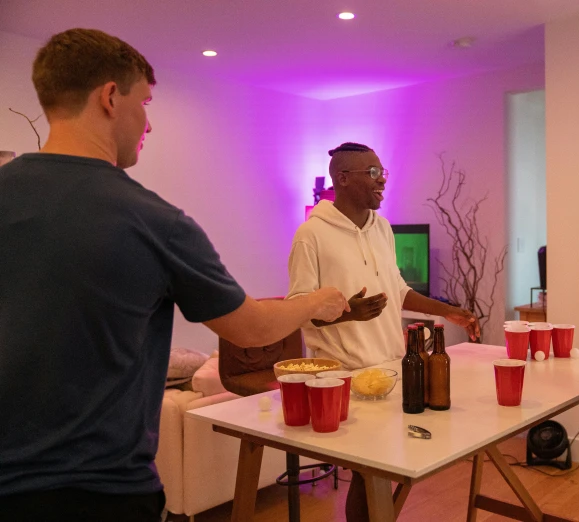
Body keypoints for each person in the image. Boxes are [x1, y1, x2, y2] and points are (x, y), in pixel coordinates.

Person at [0, 29, 348, 522]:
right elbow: (249, 328)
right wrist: (316, 301)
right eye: (144, 102)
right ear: (110, 96)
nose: (147, 122)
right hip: (101, 493)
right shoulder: (153, 221)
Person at [286, 141, 480, 521]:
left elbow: (399, 290)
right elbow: (298, 310)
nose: (382, 181)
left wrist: (451, 312)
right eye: (372, 173)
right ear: (342, 178)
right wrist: (347, 314)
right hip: (344, 373)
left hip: (389, 368)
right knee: (367, 472)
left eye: (383, 172)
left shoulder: (383, 229)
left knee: (381, 469)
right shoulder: (310, 235)